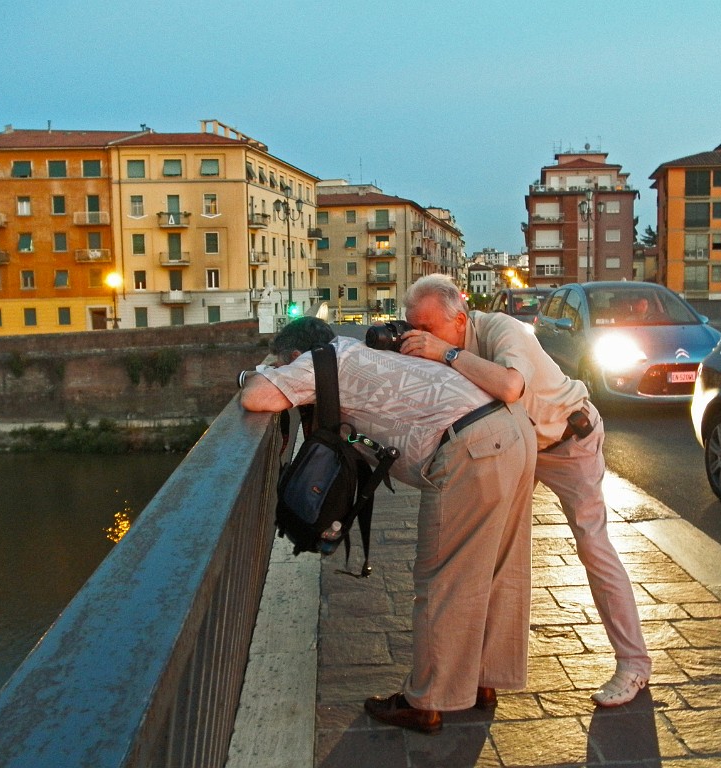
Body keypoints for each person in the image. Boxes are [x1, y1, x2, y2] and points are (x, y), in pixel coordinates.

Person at [240, 317, 537, 733]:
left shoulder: (316, 363)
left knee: (442, 579)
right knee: (500, 567)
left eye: (284, 363)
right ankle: (484, 681)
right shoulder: (355, 350)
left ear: (295, 355)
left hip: (471, 449)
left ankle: (427, 701)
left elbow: (256, 397)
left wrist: (263, 373)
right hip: (514, 429)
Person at [401, 275, 652, 707]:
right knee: (493, 551)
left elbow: (510, 386)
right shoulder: (444, 346)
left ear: (460, 320)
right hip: (515, 445)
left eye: (427, 329)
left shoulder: (503, 329)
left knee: (594, 546)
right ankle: (485, 673)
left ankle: (634, 664)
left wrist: (445, 353)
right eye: (411, 329)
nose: (418, 339)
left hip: (569, 441)